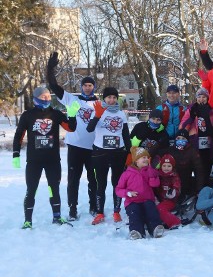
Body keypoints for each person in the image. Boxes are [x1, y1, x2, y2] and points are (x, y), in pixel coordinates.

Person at [13, 86, 78, 228]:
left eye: (49, 96)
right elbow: (19, 135)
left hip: (52, 160)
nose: (47, 99)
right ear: (36, 98)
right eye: (43, 97)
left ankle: (57, 217)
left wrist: (72, 115)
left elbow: (70, 128)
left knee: (54, 188)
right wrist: (16, 154)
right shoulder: (28, 115)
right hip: (34, 160)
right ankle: (28, 221)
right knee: (31, 190)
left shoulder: (56, 114)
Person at [46, 52, 98, 220]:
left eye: (90, 85)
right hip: (75, 146)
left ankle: (93, 206)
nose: (87, 87)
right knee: (73, 180)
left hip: (93, 148)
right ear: (81, 87)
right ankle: (73, 208)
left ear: (94, 87)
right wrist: (50, 68)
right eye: (85, 85)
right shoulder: (71, 99)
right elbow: (53, 86)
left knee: (93, 180)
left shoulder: (99, 104)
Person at [87, 87, 132, 225]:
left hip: (118, 152)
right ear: (104, 98)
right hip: (100, 152)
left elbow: (125, 134)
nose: (111, 100)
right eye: (109, 97)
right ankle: (100, 212)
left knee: (117, 183)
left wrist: (129, 152)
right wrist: (97, 116)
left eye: (114, 97)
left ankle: (116, 211)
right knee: (101, 183)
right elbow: (89, 129)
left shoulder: (121, 113)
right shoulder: (98, 110)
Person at [115, 147, 165, 239]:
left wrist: (150, 170)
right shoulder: (127, 173)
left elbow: (155, 184)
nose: (146, 159)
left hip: (147, 199)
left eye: (147, 157)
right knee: (134, 214)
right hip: (132, 201)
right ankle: (136, 231)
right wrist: (128, 193)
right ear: (136, 161)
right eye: (143, 157)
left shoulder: (150, 171)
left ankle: (155, 228)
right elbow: (118, 190)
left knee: (152, 211)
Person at [179, 87, 213, 180]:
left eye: (204, 97)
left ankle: (205, 185)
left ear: (207, 98)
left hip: (207, 141)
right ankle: (196, 188)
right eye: (199, 97)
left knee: (207, 164)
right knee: (196, 164)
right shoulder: (191, 109)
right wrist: (191, 117)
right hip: (195, 140)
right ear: (196, 98)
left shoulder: (211, 110)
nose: (201, 99)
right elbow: (182, 126)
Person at [163, 129, 205, 205]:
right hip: (169, 182)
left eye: (183, 139)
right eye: (178, 138)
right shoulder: (170, 150)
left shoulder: (192, 151)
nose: (180, 140)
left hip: (184, 182)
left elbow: (199, 171)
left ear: (187, 140)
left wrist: (199, 189)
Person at [154, 154, 182, 230]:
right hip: (158, 199)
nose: (166, 168)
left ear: (172, 167)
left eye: (169, 166)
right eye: (164, 166)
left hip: (169, 200)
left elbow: (177, 187)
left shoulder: (174, 176)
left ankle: (175, 222)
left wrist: (172, 193)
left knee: (160, 209)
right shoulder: (157, 175)